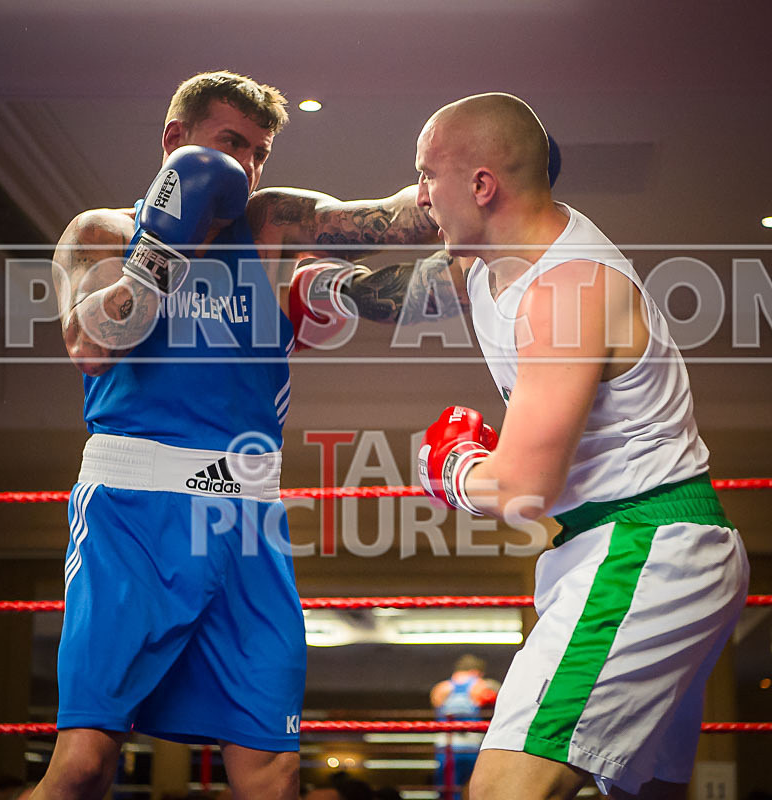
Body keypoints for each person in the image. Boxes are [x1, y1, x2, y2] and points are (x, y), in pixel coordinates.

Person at [43, 70, 437, 800]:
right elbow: (91, 345)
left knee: (273, 766)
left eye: (258, 152)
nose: (246, 168)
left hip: (247, 517)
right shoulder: (100, 232)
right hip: (134, 509)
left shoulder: (272, 226)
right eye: (230, 145)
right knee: (86, 765)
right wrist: (163, 241)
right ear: (175, 142)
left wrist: (478, 180)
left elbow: (390, 219)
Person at [394, 92, 747, 799]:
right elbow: (396, 244)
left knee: (503, 790)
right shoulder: (491, 261)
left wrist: (450, 468)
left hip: (644, 551)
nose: (420, 195)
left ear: (483, 186)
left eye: (428, 175)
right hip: (624, 550)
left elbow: (522, 488)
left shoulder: (567, 290)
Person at [430, 655, 499, 800]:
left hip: (447, 747)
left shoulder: (440, 688)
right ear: (476, 671)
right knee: (474, 789)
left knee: (447, 790)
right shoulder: (480, 686)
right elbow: (501, 693)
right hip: (471, 746)